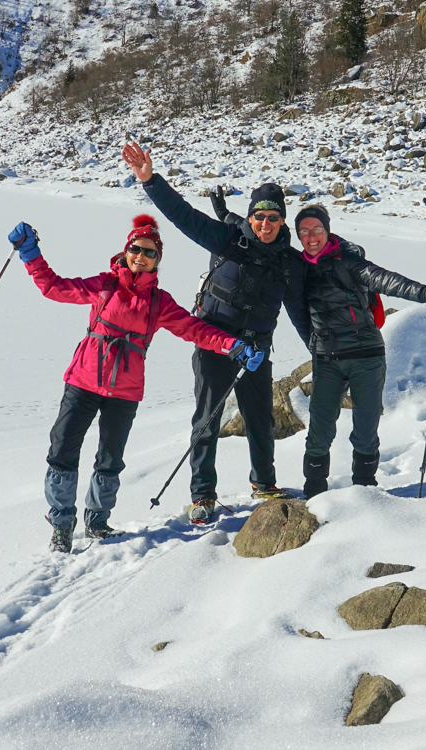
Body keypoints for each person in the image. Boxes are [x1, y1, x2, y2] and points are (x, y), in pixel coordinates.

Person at [10, 215, 264, 552]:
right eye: (136, 249)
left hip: (125, 391)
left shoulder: (159, 302)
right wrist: (30, 254)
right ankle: (61, 522)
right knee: (62, 452)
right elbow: (55, 287)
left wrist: (232, 345)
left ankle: (97, 520)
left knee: (110, 459)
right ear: (126, 251)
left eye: (149, 252)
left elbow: (195, 329)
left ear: (157, 259)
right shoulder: (104, 286)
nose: (141, 256)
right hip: (83, 382)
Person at [121, 143, 310, 523]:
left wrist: (319, 350)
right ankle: (202, 494)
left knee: (260, 418)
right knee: (208, 417)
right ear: (252, 217)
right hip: (213, 340)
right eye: (259, 216)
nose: (265, 224)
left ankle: (264, 483)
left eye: (273, 217)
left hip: (254, 350)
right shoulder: (229, 239)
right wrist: (150, 181)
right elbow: (184, 217)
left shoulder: (289, 263)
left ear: (282, 221)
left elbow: (299, 314)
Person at [286, 205, 426, 497]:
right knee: (319, 433)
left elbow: (386, 280)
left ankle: (365, 494)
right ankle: (314, 495)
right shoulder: (298, 268)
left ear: (327, 229)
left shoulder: (347, 260)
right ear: (298, 235)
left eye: (317, 229)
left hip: (366, 357)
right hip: (327, 361)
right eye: (304, 231)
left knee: (365, 433)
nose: (311, 237)